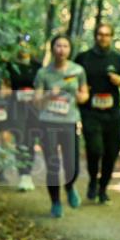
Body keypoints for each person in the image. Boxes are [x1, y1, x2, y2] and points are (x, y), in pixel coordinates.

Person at [34, 34, 88, 217]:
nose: (62, 49)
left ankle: (70, 186)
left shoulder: (78, 70)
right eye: (58, 46)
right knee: (52, 165)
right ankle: (55, 202)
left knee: (72, 162)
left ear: (70, 49)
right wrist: (50, 94)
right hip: (48, 122)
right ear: (52, 48)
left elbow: (84, 95)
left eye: (65, 46)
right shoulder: (43, 73)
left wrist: (78, 95)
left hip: (69, 121)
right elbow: (36, 101)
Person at [74, 23, 120, 204]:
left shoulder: (117, 59)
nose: (102, 38)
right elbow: (71, 81)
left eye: (106, 35)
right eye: (100, 34)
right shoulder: (83, 58)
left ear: (111, 37)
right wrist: (81, 90)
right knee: (95, 149)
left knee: (111, 152)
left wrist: (119, 80)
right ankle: (92, 181)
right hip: (91, 112)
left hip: (112, 114)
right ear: (95, 36)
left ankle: (103, 188)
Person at [8, 33, 42, 192]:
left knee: (31, 139)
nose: (24, 47)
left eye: (27, 44)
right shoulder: (10, 65)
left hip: (34, 109)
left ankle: (28, 174)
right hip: (16, 108)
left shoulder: (37, 66)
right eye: (21, 44)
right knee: (20, 139)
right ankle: (23, 174)